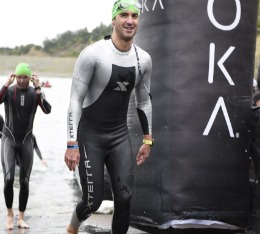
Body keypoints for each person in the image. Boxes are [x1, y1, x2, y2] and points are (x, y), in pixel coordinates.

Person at [64, 0, 153, 233]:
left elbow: (143, 100)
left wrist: (147, 139)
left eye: (135, 16)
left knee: (124, 198)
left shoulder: (143, 59)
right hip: (89, 136)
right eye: (124, 15)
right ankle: (72, 227)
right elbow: (75, 100)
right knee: (92, 201)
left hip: (119, 136)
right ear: (113, 19)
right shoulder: (92, 54)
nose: (130, 21)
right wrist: (71, 143)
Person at [0, 63, 51, 230]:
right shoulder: (8, 91)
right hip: (9, 140)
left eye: (25, 77)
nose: (22, 80)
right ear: (15, 76)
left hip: (27, 141)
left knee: (25, 181)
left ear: (30, 78)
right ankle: (9, 214)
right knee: (8, 179)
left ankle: (20, 217)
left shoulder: (34, 93)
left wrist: (38, 88)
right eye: (19, 77)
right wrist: (6, 83)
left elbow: (47, 109)